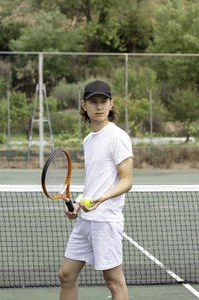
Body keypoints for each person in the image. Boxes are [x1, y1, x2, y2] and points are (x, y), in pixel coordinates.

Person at [59, 80, 133, 300]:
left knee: (114, 282)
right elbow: (95, 181)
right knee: (66, 275)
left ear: (111, 104)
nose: (99, 107)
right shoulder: (89, 140)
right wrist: (79, 203)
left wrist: (102, 198)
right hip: (85, 220)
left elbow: (126, 181)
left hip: (106, 222)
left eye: (103, 101)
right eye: (93, 102)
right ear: (84, 105)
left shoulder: (118, 137)